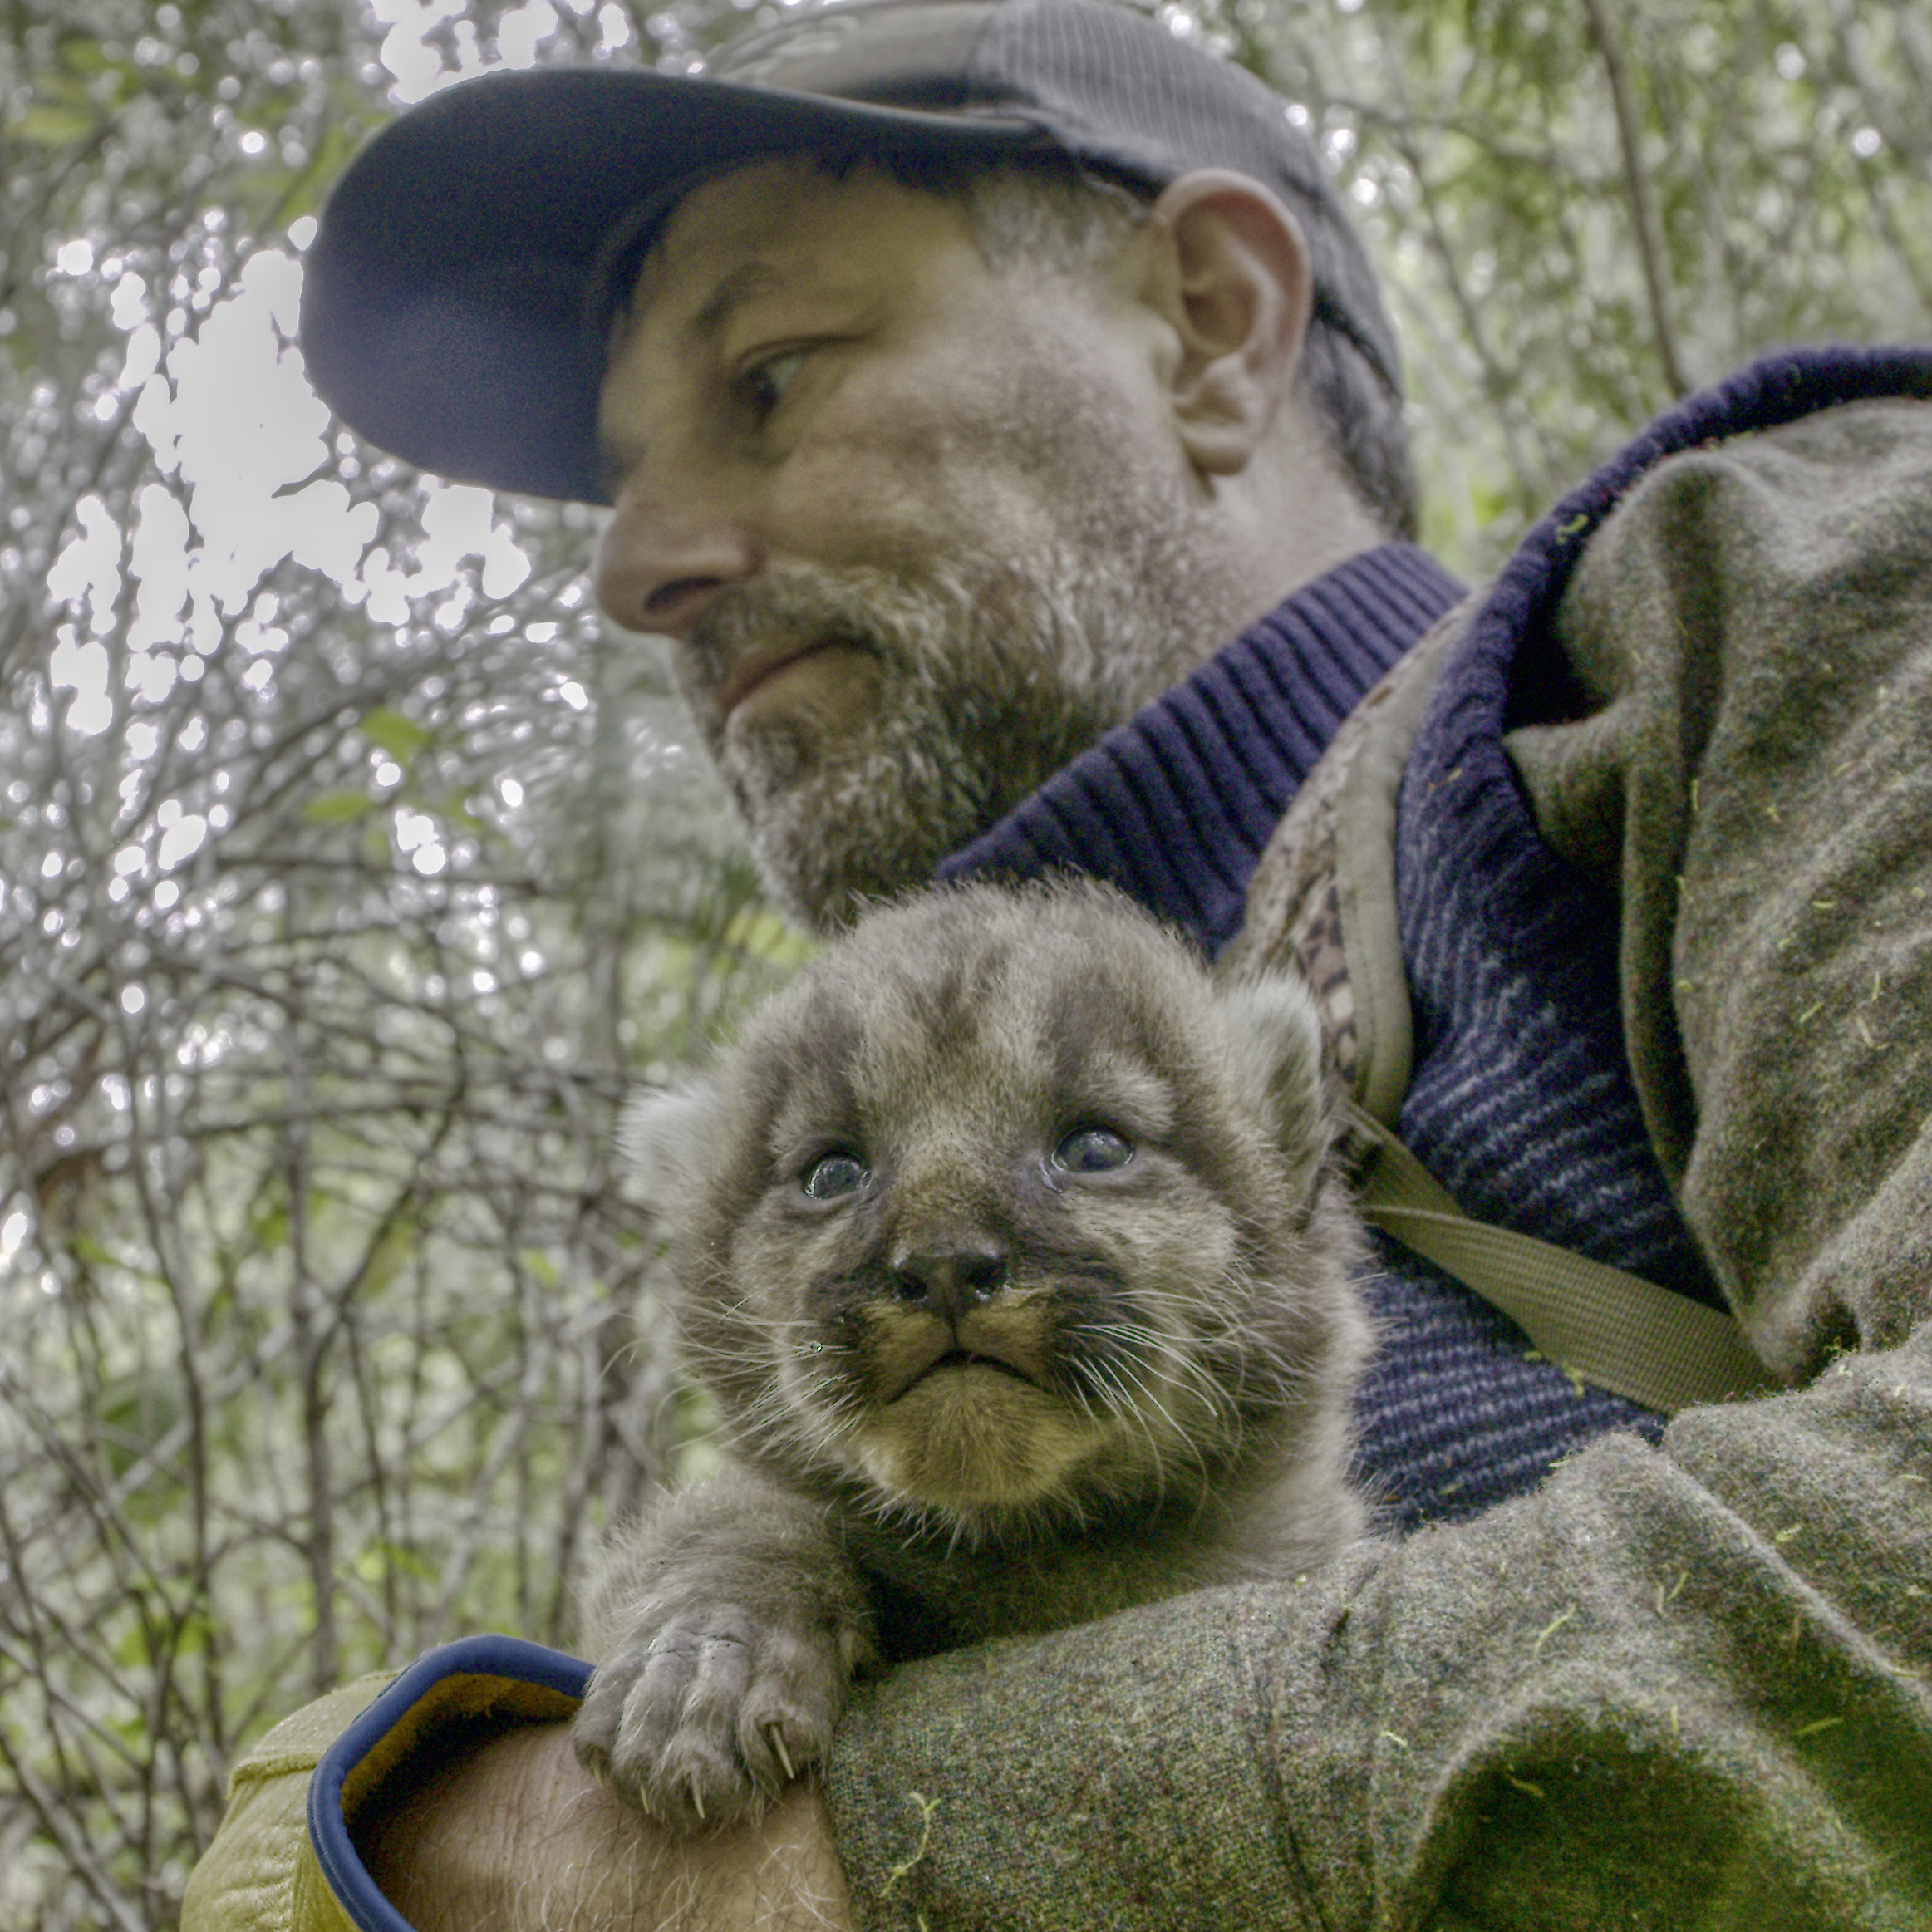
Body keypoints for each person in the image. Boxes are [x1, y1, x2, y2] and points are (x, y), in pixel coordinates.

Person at [184, 1, 1932, 1925]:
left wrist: (794, 1866)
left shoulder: (1759, 594)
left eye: (767, 376)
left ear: (1206, 323)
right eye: (616, 492)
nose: (637, 567)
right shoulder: (830, 1190)